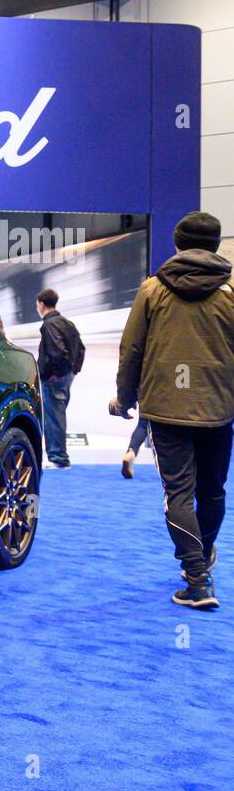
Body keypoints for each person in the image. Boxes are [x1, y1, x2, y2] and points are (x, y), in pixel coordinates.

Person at [111, 211, 232, 610]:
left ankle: (197, 579)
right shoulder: (231, 290)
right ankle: (204, 555)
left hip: (166, 409)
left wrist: (124, 399)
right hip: (219, 408)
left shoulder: (152, 290)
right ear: (216, 245)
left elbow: (131, 351)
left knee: (178, 493)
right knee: (212, 491)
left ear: (177, 243)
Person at [36, 288, 84, 469]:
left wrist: (56, 374)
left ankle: (58, 458)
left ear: (41, 304)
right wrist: (73, 372)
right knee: (58, 414)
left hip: (54, 378)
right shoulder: (67, 323)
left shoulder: (49, 325)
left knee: (53, 417)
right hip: (65, 376)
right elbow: (81, 349)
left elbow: (57, 352)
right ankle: (58, 456)